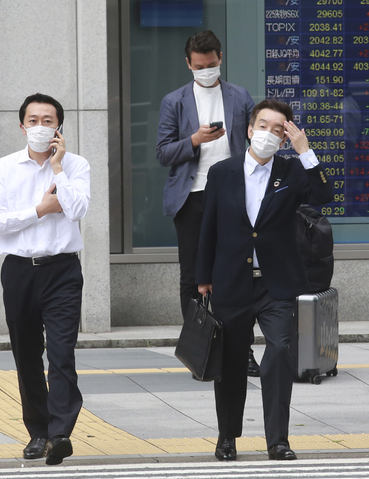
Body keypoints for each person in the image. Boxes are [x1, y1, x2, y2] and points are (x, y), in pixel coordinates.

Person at [196, 99, 332, 461]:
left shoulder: (290, 172)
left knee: (279, 353)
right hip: (232, 281)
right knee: (232, 361)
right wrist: (203, 276)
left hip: (277, 283)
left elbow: (323, 196)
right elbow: (208, 226)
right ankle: (227, 437)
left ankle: (278, 440)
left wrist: (306, 152)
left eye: (278, 130)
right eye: (264, 126)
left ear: (285, 138)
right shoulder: (222, 172)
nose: (269, 135)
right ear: (249, 129)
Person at [0, 93, 91, 465]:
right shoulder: (5, 167)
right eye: (33, 121)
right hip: (18, 271)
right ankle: (38, 432)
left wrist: (58, 169)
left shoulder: (76, 165)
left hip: (62, 270)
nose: (40, 127)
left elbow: (78, 208)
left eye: (48, 121)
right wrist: (39, 210)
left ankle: (60, 433)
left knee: (62, 353)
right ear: (22, 126)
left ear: (59, 127)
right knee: (27, 353)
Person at [155, 30, 261, 376]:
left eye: (211, 64)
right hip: (192, 196)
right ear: (188, 64)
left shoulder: (239, 96)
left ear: (220, 58)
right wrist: (195, 140)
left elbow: (253, 143)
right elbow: (162, 153)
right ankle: (200, 351)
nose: (205, 70)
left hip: (233, 193)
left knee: (235, 272)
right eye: (199, 66)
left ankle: (241, 350)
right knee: (193, 275)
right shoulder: (175, 101)